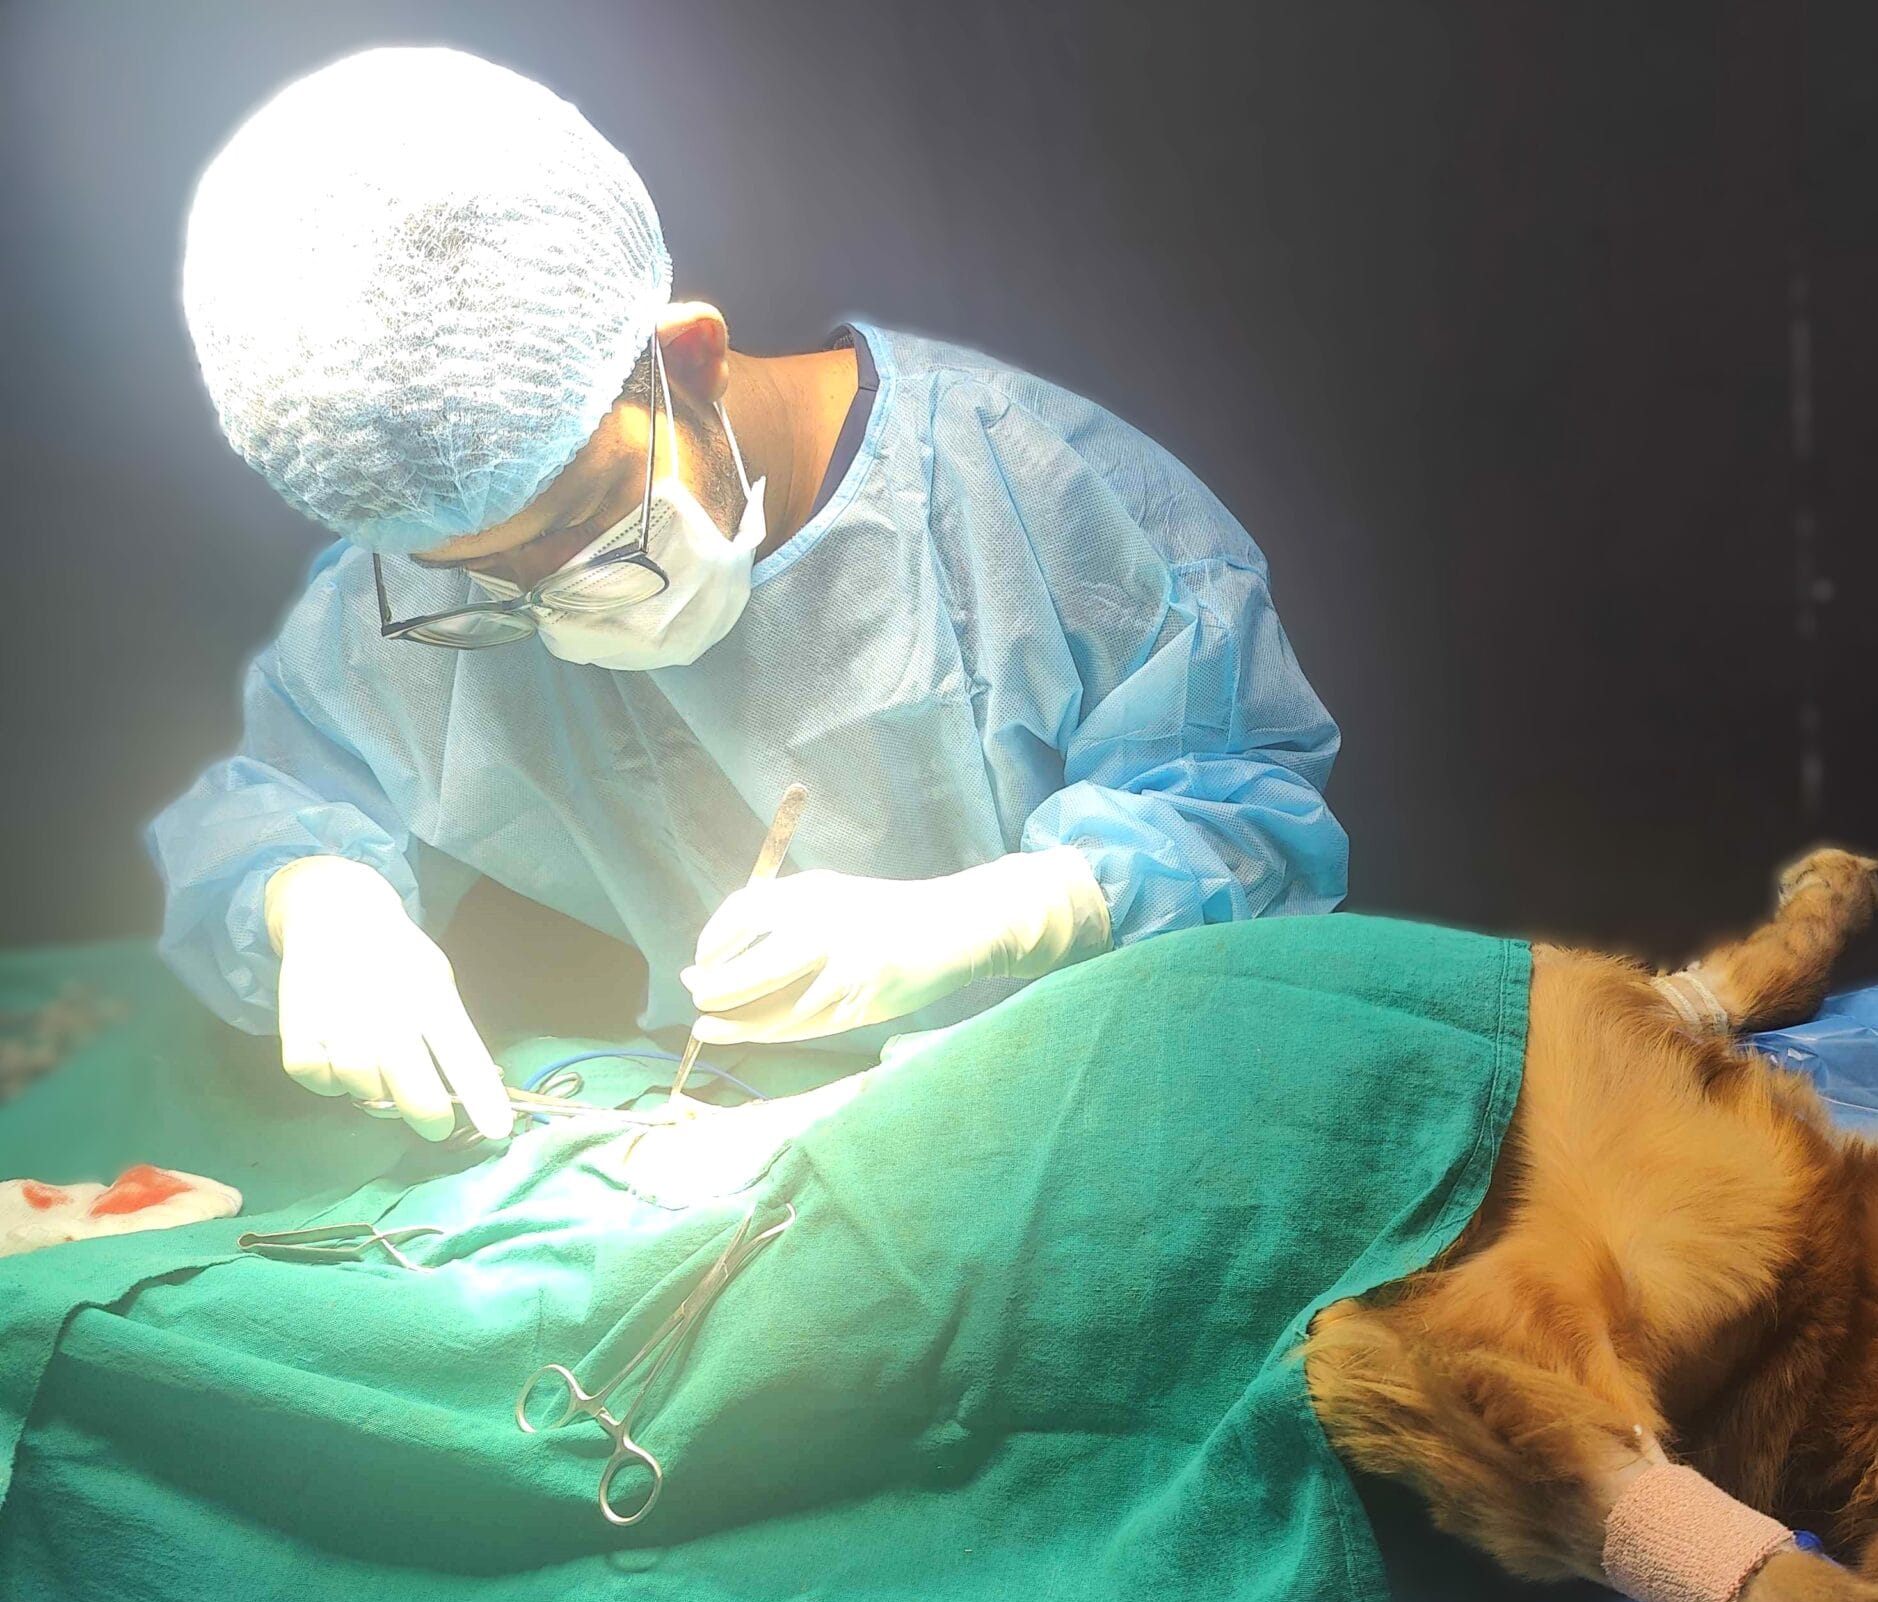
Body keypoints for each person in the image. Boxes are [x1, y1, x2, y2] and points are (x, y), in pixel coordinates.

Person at [149, 47, 1349, 1143]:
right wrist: (315, 905)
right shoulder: (417, 570)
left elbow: (1246, 817)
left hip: (1116, 1113)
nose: (552, 606)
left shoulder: (1019, 486)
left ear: (687, 359)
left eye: (581, 525)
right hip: (751, 1148)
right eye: (478, 577)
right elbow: (273, 802)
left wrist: (1016, 911)